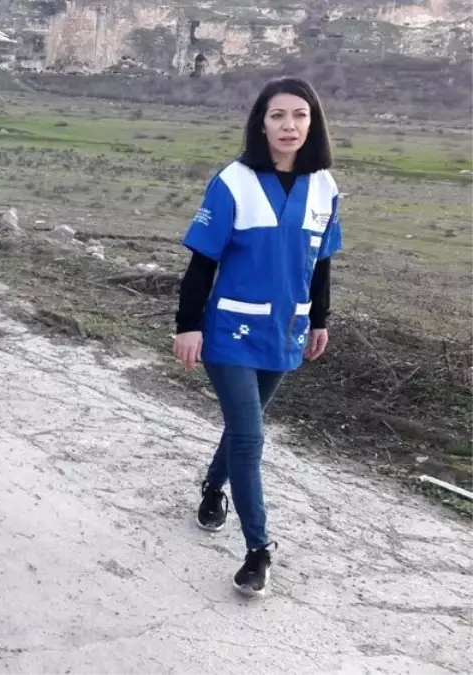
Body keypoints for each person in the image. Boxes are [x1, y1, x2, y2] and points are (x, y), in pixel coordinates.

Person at [172, 76, 342, 598]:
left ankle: (212, 486)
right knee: (250, 437)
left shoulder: (325, 187)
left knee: (246, 427)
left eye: (300, 115)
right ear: (261, 123)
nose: (289, 126)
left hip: (286, 331)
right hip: (231, 329)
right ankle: (258, 552)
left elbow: (321, 263)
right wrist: (188, 326)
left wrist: (320, 320)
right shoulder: (234, 181)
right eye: (277, 116)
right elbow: (203, 263)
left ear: (313, 124)